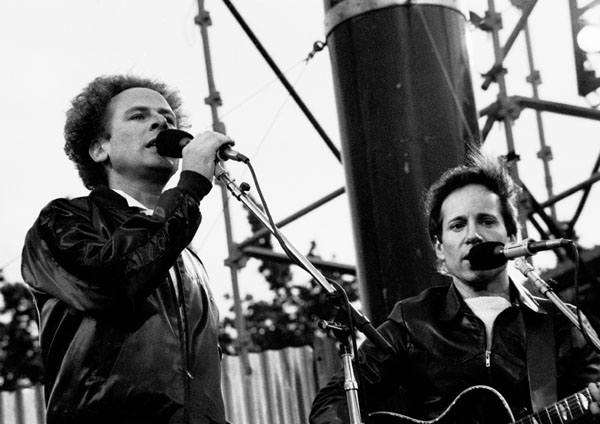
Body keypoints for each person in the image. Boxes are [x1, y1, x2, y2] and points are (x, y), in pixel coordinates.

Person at [310, 154, 600, 424]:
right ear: (439, 247)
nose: (473, 235)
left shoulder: (562, 321)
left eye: (486, 221)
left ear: (512, 236)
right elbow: (332, 402)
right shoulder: (413, 321)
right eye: (458, 225)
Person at [21, 74, 233, 424]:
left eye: (168, 119)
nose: (159, 123)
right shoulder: (64, 221)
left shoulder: (187, 255)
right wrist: (190, 188)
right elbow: (114, 285)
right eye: (138, 116)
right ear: (99, 148)